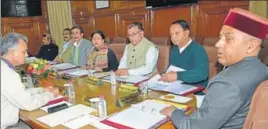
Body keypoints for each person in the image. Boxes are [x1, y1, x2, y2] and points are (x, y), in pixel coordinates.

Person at [160, 8, 268, 129]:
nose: (217, 44)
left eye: (228, 39)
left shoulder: (227, 83)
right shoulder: (263, 69)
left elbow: (192, 127)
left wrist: (174, 112)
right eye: (220, 38)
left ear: (250, 46)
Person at [1, 33, 59, 129]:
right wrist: (51, 95)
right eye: (24, 52)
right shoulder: (8, 74)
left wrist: (42, 90)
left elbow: (19, 92)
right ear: (13, 53)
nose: (27, 55)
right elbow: (29, 104)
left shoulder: (3, 67)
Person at [160, 20, 209, 87]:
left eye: (177, 33)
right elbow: (172, 69)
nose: (173, 37)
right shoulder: (174, 49)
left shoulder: (198, 49)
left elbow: (202, 74)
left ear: (186, 33)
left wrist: (177, 76)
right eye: (171, 34)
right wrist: (164, 75)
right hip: (176, 86)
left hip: (194, 89)